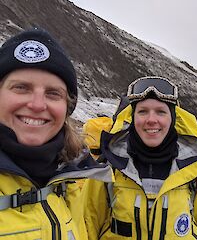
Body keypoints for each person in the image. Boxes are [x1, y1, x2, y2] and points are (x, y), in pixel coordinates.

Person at [0, 27, 113, 240]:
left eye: (53, 93)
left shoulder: (72, 181)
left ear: (66, 108)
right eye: (21, 87)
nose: (37, 104)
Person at [83, 76, 197, 240]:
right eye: (142, 111)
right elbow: (87, 225)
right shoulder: (109, 167)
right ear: (133, 116)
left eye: (161, 112)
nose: (151, 120)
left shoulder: (194, 168)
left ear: (172, 118)